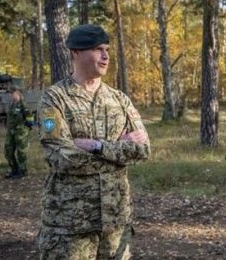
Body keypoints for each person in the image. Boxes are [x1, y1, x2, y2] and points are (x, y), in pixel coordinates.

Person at [37, 24, 150, 259]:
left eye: (107, 49)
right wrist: (118, 151)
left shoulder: (119, 99)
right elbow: (62, 157)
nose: (106, 56)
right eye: (98, 49)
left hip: (116, 222)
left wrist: (97, 146)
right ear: (75, 52)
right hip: (70, 227)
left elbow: (142, 149)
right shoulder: (55, 99)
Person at [4, 86, 33, 179]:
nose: (11, 95)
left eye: (12, 93)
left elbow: (30, 117)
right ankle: (14, 169)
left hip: (21, 131)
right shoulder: (12, 104)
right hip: (11, 131)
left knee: (21, 152)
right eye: (10, 93)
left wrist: (26, 129)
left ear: (17, 92)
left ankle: (22, 171)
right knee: (8, 150)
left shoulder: (23, 104)